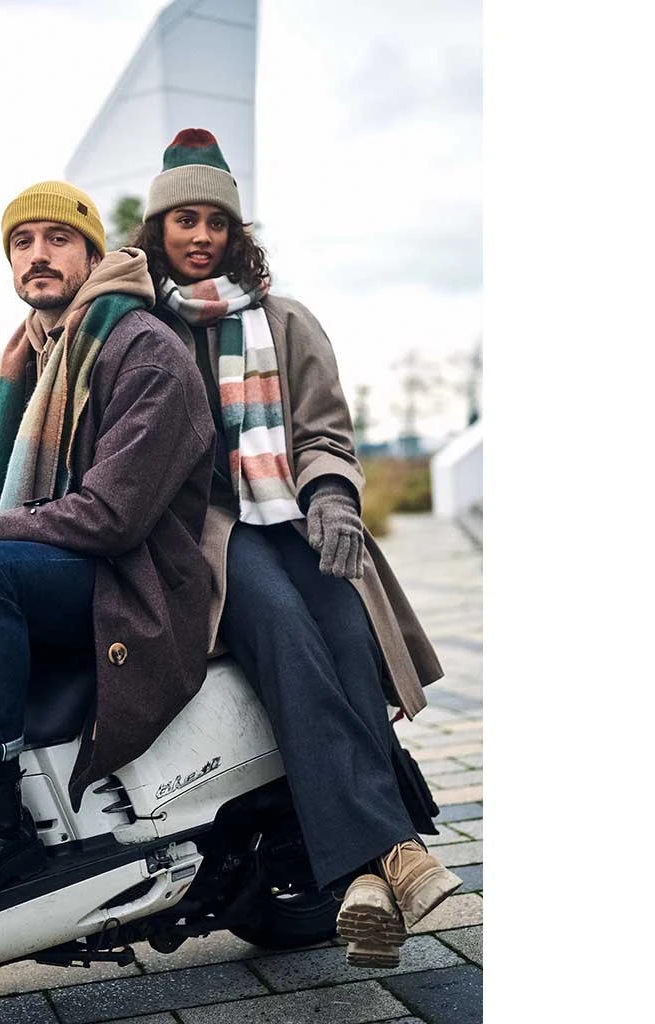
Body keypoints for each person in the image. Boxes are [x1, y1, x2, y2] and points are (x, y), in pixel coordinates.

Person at [129, 129, 461, 968]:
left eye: (216, 222)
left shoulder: (287, 321)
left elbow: (324, 432)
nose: (202, 236)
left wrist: (334, 497)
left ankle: (363, 881)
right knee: (285, 632)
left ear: (236, 232)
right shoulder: (144, 329)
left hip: (297, 516)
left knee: (348, 635)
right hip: (214, 536)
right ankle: (395, 853)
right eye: (185, 221)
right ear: (159, 230)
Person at [0, 181, 215, 913]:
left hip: (135, 585)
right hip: (73, 569)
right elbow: (19, 505)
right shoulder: (37, 354)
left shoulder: (144, 351)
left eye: (59, 239)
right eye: (21, 242)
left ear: (93, 255)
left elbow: (111, 517)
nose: (38, 255)